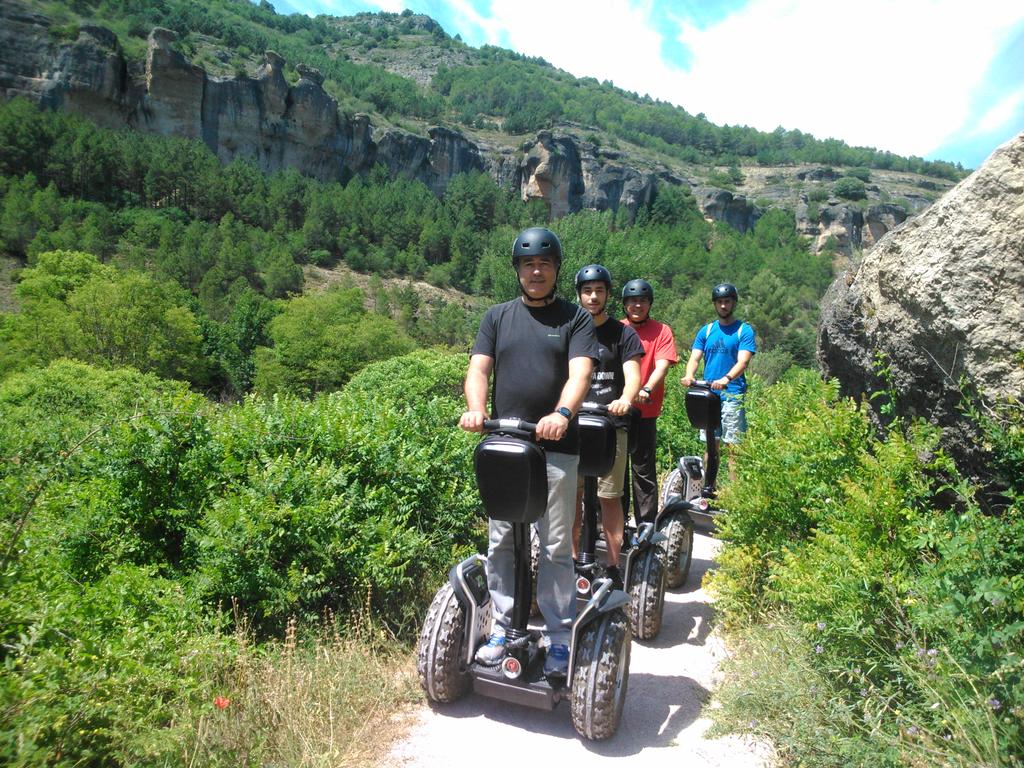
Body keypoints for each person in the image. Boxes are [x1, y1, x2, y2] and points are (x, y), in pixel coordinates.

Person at [459, 226, 598, 679]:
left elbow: (580, 374)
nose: (536, 271)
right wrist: (476, 409)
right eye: (527, 264)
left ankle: (559, 637)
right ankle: (503, 628)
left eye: (544, 264)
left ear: (556, 269)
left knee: (557, 545)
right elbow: (479, 368)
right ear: (517, 270)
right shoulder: (497, 317)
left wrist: (562, 412)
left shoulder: (574, 319)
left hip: (557, 450)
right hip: (507, 447)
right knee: (501, 539)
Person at [570, 264, 645, 589]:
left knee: (609, 497)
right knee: (571, 497)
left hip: (609, 426)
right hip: (574, 426)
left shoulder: (623, 333)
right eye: (587, 291)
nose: (593, 296)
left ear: (608, 295)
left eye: (599, 290)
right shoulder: (570, 330)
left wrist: (626, 398)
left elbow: (633, 374)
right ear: (579, 295)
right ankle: (572, 561)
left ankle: (613, 566)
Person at [680, 282, 756, 494]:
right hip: (708, 395)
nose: (723, 306)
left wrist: (726, 378)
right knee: (710, 446)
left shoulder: (743, 330)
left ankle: (734, 494)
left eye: (727, 301)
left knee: (733, 447)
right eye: (720, 302)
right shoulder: (708, 330)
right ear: (715, 304)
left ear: (734, 303)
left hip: (731, 394)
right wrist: (689, 375)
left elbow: (743, 361)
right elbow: (695, 357)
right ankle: (708, 488)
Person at [621, 279, 678, 524]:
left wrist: (646, 388)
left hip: (645, 410)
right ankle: (615, 524)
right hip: (619, 409)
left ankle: (646, 525)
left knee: (643, 470)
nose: (637, 305)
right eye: (633, 301)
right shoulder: (618, 328)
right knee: (616, 471)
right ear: (625, 304)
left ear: (650, 304)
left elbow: (661, 366)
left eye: (642, 301)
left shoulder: (661, 331)